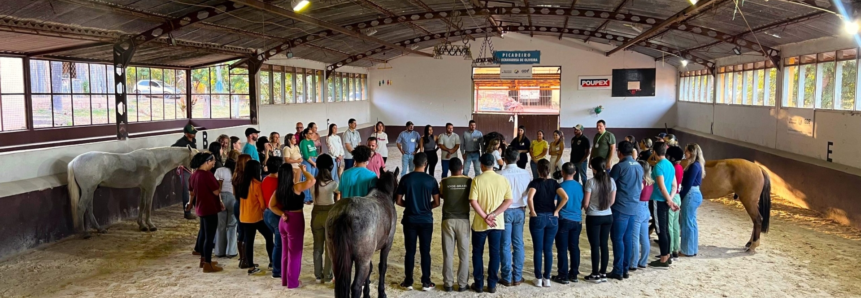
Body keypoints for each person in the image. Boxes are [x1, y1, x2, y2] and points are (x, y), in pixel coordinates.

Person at [469, 153, 514, 294]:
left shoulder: (477, 180)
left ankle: (479, 284)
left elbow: (473, 201)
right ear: (493, 164)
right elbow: (508, 201)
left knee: (477, 253)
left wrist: (484, 216)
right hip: (497, 223)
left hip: (480, 224)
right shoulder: (503, 179)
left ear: (481, 165)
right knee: (495, 253)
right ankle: (492, 284)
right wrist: (493, 215)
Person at [396, 152, 441, 291]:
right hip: (426, 220)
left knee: (410, 251)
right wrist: (426, 207)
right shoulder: (431, 180)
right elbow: (437, 202)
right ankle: (426, 282)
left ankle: (408, 281)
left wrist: (409, 205)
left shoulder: (405, 179)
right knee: (425, 251)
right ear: (426, 164)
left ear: (413, 163)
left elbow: (398, 201)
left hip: (410, 219)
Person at [268, 163, 315, 288]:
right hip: (295, 220)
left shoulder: (279, 190)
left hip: (284, 221)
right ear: (290, 174)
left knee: (285, 252)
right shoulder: (296, 187)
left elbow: (271, 205)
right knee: (295, 253)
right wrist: (304, 171)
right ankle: (293, 282)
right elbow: (312, 180)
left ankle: (285, 280)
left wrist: (282, 213)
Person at [526, 159, 568, 287]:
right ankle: (547, 278)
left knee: (538, 249)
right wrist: (557, 210)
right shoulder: (554, 183)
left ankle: (538, 278)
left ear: (538, 170)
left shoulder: (535, 183)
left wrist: (532, 211)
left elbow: (529, 198)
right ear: (549, 170)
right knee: (548, 249)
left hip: (538, 217)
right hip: (551, 218)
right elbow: (565, 197)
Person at [607, 141, 644, 280]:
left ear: (619, 152)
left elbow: (610, 185)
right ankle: (625, 268)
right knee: (627, 238)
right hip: (634, 207)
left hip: (620, 207)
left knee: (617, 239)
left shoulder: (619, 167)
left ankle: (618, 270)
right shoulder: (639, 166)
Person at [497, 146, 530, 287]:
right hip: (520, 209)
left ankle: (506, 276)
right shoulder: (526, 173)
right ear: (518, 158)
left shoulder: (500, 174)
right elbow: (528, 193)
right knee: (518, 243)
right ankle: (517, 276)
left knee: (505, 244)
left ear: (504, 159)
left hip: (505, 210)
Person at [187, 152, 224, 272]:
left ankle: (204, 259)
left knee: (203, 233)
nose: (214, 163)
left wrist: (189, 204)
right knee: (209, 237)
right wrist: (220, 184)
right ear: (207, 162)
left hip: (200, 208)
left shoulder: (194, 175)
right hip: (210, 208)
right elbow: (216, 192)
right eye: (212, 161)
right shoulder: (207, 175)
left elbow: (192, 193)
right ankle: (207, 263)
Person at [439, 158, 471, 292]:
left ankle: (448, 283)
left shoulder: (444, 181)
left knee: (448, 253)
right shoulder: (469, 181)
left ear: (449, 168)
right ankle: (463, 284)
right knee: (464, 254)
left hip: (447, 219)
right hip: (463, 219)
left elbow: (441, 195)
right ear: (462, 167)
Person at [237, 160, 275, 273]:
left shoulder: (242, 183)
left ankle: (251, 266)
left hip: (244, 217)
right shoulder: (257, 185)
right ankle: (272, 262)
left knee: (249, 242)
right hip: (256, 217)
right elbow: (262, 205)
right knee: (269, 236)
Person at [583, 156, 616, 283]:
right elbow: (612, 201)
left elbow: (586, 203)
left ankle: (595, 273)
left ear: (594, 168)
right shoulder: (611, 181)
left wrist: (589, 210)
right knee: (604, 244)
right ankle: (603, 273)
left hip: (594, 216)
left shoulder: (590, 182)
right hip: (608, 215)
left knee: (595, 246)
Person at [648, 142, 680, 268]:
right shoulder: (670, 165)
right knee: (665, 229)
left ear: (654, 152)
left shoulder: (658, 167)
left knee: (661, 230)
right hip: (666, 200)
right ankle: (667, 256)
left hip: (658, 200)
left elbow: (661, 187)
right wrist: (670, 199)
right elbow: (674, 186)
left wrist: (669, 201)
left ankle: (663, 259)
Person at [551, 162, 583, 284]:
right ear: (574, 173)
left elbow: (554, 203)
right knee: (574, 247)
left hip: (564, 219)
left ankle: (563, 275)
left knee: (562, 248)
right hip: (577, 220)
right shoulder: (580, 186)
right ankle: (574, 273)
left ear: (562, 173)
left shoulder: (560, 186)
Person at [310, 154, 338, 283]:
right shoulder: (333, 184)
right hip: (329, 213)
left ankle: (317, 275)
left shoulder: (313, 183)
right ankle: (328, 276)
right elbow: (339, 194)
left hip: (316, 213)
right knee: (329, 247)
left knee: (317, 247)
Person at [680, 144, 705, 257]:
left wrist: (680, 197)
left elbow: (688, 184)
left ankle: (687, 250)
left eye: (687, 152)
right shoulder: (697, 165)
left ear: (692, 152)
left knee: (687, 223)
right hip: (695, 193)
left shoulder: (694, 166)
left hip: (691, 194)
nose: (685, 154)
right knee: (692, 222)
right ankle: (692, 249)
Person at [262, 157, 285, 278]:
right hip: (276, 213)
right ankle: (277, 270)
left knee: (277, 242)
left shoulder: (265, 179)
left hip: (267, 213)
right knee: (279, 244)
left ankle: (275, 264)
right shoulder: (280, 181)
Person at [214, 151, 239, 259]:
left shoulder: (220, 171)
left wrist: (219, 200)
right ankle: (231, 251)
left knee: (220, 225)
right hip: (233, 198)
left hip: (221, 197)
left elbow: (217, 188)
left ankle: (219, 251)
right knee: (232, 225)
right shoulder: (237, 172)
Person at [630, 160, 653, 271]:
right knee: (644, 237)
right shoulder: (650, 182)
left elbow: (635, 194)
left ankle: (633, 262)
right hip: (646, 207)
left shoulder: (641, 182)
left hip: (638, 207)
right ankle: (643, 261)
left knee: (635, 237)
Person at [172, 124, 198, 220]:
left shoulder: (193, 141)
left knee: (194, 190)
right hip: (185, 170)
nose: (194, 134)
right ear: (186, 134)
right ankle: (187, 212)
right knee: (186, 191)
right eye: (191, 133)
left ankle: (195, 208)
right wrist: (179, 162)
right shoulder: (181, 143)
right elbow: (172, 150)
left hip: (192, 169)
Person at [231, 154, 252, 266]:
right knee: (246, 233)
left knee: (240, 231)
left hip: (237, 204)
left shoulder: (235, 175)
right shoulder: (247, 177)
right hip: (245, 205)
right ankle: (246, 259)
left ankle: (242, 258)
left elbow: (234, 193)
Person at [667, 146, 685, 260]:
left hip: (672, 196)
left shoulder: (673, 168)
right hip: (677, 195)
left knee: (669, 225)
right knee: (674, 225)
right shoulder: (680, 167)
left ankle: (668, 250)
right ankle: (675, 249)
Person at [300, 129, 319, 203]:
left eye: (312, 133)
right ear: (305, 134)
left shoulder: (311, 142)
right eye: (310, 133)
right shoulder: (303, 142)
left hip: (314, 160)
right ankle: (306, 198)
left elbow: (315, 151)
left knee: (312, 179)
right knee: (307, 179)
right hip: (307, 161)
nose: (311, 135)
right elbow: (305, 154)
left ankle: (311, 197)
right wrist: (313, 163)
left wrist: (316, 161)